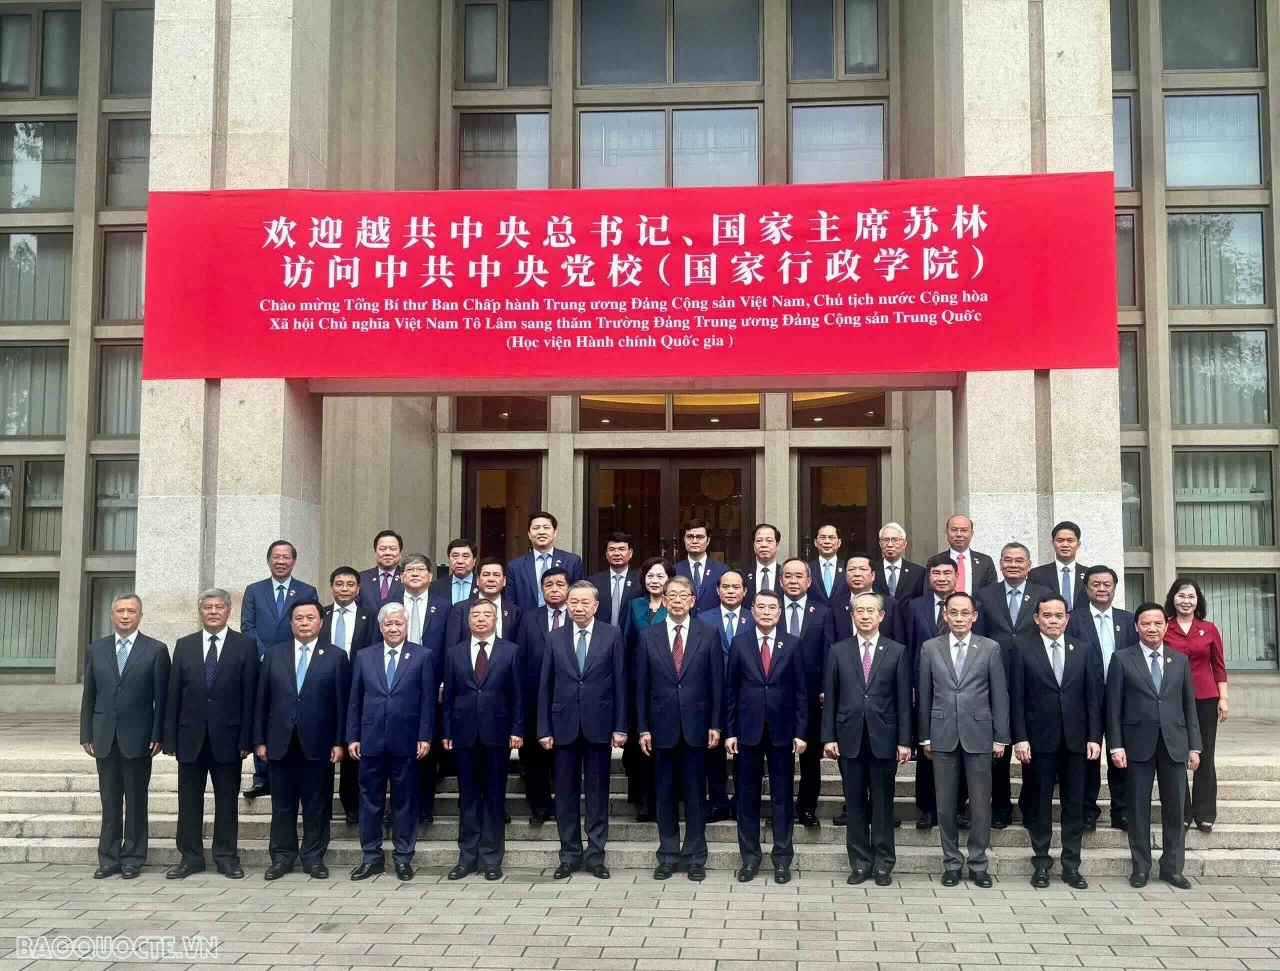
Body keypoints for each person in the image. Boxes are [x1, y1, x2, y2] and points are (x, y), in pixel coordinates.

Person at [162, 589, 257, 880]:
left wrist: (247, 739)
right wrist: (169, 738)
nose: (213, 612)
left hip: (229, 739)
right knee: (189, 802)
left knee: (226, 802)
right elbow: (173, 695)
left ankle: (226, 858)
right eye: (207, 607)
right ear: (200, 612)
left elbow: (250, 697)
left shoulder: (245, 646)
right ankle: (190, 858)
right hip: (190, 738)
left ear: (229, 611)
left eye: (218, 607)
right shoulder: (184, 645)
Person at [254, 599, 351, 880]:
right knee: (282, 805)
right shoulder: (274, 654)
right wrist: (259, 740)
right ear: (291, 623)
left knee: (317, 804)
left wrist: (339, 742)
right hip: (280, 742)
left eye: (310, 618)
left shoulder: (336, 656)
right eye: (299, 618)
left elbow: (341, 704)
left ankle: (313, 857)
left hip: (319, 744)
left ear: (321, 622)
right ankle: (282, 857)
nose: (305, 623)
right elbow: (262, 700)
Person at [1107, 603, 1202, 889]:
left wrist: (1194, 746)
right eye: (1146, 623)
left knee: (1176, 808)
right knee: (1138, 809)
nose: (1152, 628)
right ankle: (1141, 867)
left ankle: (1172, 867)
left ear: (1166, 626)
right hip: (1137, 744)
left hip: (1174, 743)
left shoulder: (1179, 660)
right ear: (1136, 627)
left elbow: (1189, 705)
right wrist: (1115, 746)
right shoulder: (1122, 659)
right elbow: (1113, 707)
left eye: (1158, 623)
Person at [1010, 595, 1101, 890]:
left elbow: (1093, 698)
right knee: (1039, 805)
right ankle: (1041, 864)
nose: (1053, 620)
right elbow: (1016, 698)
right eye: (1047, 615)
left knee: (1074, 806)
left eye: (1058, 615)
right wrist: (1020, 737)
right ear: (1036, 618)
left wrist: (1094, 737)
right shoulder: (1022, 648)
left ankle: (1071, 866)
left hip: (1076, 742)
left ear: (1067, 619)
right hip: (1038, 741)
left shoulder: (1082, 649)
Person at [918, 591, 1009, 889]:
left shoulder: (990, 648)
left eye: (964, 613)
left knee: (981, 805)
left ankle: (979, 863)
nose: (959, 618)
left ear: (974, 616)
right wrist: (924, 737)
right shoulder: (930, 648)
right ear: (945, 615)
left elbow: (999, 695)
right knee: (945, 806)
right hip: (942, 734)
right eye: (953, 613)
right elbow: (925, 694)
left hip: (979, 734)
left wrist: (1001, 737)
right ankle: (951, 863)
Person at [537, 580, 627, 879]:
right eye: (573, 602)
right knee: (565, 795)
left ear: (596, 606)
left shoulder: (612, 635)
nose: (578, 607)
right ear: (566, 605)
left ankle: (596, 856)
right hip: (563, 726)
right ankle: (569, 855)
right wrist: (544, 728)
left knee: (597, 794)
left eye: (584, 602)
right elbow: (545, 685)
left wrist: (620, 726)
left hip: (599, 725)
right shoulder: (554, 637)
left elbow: (620, 683)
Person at [822, 592, 912, 886]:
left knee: (883, 804)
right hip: (848, 738)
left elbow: (903, 700)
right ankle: (860, 863)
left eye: (870, 611)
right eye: (859, 611)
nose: (865, 615)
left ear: (881, 616)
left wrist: (904, 740)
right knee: (855, 803)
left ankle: (884, 864)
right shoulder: (838, 650)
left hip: (884, 738)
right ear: (852, 615)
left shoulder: (897, 651)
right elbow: (831, 697)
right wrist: (829, 737)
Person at [637, 576, 722, 881]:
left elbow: (717, 683)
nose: (676, 600)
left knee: (696, 795)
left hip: (697, 726)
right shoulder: (648, 635)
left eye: (682, 595)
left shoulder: (708, 633)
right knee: (665, 794)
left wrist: (715, 724)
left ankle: (696, 857)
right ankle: (668, 855)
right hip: (661, 727)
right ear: (663, 599)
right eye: (670, 595)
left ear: (692, 600)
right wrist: (643, 728)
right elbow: (641, 686)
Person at [80, 593, 171, 880]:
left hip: (139, 738)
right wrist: (86, 733)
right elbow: (89, 694)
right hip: (104, 736)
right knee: (109, 801)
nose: (125, 616)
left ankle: (133, 857)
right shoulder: (97, 649)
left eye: (131, 611)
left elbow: (162, 699)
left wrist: (158, 734)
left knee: (135, 801)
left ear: (140, 616)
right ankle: (108, 858)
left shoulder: (156, 650)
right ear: (112, 616)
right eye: (120, 611)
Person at [346, 603, 435, 881]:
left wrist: (425, 735)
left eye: (398, 623)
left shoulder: (422, 655)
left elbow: (427, 700)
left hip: (407, 740)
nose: (393, 628)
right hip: (370, 739)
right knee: (369, 801)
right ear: (380, 627)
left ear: (406, 626)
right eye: (388, 624)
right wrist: (353, 736)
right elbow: (355, 699)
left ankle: (403, 857)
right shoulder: (364, 656)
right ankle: (371, 857)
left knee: (405, 801)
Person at [725, 590, 806, 883]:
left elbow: (801, 691)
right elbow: (730, 691)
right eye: (761, 607)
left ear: (780, 612)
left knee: (782, 798)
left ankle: (782, 860)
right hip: (747, 731)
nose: (767, 612)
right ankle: (749, 859)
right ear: (753, 611)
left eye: (773, 607)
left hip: (782, 732)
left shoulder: (792, 643)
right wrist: (730, 731)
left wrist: (801, 732)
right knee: (747, 798)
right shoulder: (740, 643)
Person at [442, 600, 523, 880]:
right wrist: (446, 731)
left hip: (497, 733)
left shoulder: (511, 651)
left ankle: (491, 858)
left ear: (496, 619)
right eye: (475, 615)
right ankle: (466, 858)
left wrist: (517, 730)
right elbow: (449, 697)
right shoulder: (454, 653)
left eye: (486, 614)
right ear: (468, 621)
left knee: (493, 797)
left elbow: (517, 695)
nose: (480, 619)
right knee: (467, 798)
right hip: (463, 733)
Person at [974, 541, 1052, 828]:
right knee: (998, 750)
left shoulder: (1043, 594)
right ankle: (1001, 807)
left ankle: (1030, 806)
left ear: (1029, 565)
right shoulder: (985, 594)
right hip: (995, 678)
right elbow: (980, 636)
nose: (1013, 565)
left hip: (1034, 680)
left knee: (1031, 748)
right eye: (1008, 560)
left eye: (1019, 560)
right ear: (1000, 563)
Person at [240, 539, 319, 799]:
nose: (281, 561)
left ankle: (291, 771)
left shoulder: (307, 590)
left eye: (286, 557)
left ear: (294, 561)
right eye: (276, 557)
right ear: (268, 560)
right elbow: (247, 627)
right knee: (263, 712)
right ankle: (262, 776)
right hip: (261, 663)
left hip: (295, 663)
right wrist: (265, 654)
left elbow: (311, 625)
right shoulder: (254, 590)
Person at [1067, 565, 1137, 831]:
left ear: (1115, 588)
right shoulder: (1074, 619)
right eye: (1096, 584)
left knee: (1121, 754)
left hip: (1122, 698)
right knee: (1089, 755)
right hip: (1087, 698)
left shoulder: (1128, 620)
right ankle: (1088, 811)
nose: (1101, 589)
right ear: (1086, 589)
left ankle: (1122, 811)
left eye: (1107, 584)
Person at [905, 555, 967, 830]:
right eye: (936, 574)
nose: (941, 578)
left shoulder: (968, 606)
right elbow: (908, 645)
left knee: (961, 747)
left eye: (947, 573)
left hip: (962, 687)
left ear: (956, 577)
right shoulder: (915, 606)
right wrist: (910, 685)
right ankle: (928, 808)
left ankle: (959, 807)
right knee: (927, 748)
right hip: (925, 688)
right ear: (929, 578)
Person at [1162, 578, 1229, 832]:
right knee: (1177, 753)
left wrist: (1223, 698)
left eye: (1191, 596)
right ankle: (1183, 811)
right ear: (1173, 598)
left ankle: (1205, 812)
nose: (1186, 601)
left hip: (1205, 696)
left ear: (1198, 600)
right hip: (1173, 697)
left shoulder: (1209, 629)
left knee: (1205, 753)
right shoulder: (1165, 627)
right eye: (1181, 596)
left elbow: (1218, 665)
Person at [778, 557, 836, 828]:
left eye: (798, 576)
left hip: (811, 697)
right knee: (780, 757)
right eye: (788, 576)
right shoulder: (772, 609)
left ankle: (807, 808)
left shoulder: (822, 612)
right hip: (777, 695)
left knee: (810, 757)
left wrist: (825, 688)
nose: (793, 581)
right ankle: (782, 809)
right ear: (781, 581)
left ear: (809, 581)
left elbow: (828, 653)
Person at [514, 566, 571, 826]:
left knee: (564, 758)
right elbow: (521, 659)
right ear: (541, 590)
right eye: (549, 585)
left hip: (569, 700)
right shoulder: (529, 619)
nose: (554, 589)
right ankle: (539, 807)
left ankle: (564, 808)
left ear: (568, 588)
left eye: (560, 584)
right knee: (535, 758)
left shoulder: (578, 616)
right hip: (535, 699)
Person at [322, 566, 376, 823]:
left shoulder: (370, 616)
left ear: (358, 588)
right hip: (324, 689)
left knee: (353, 747)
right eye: (339, 584)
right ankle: (321, 803)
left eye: (350, 584)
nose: (344, 589)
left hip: (358, 688)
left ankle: (351, 805)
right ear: (332, 587)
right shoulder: (320, 615)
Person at [621, 557, 673, 821]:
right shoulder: (635, 606)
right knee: (639, 745)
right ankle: (642, 800)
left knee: (664, 745)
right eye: (650, 576)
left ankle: (663, 800)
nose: (654, 581)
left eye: (660, 576)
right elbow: (625, 642)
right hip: (637, 683)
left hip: (667, 686)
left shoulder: (675, 605)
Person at [695, 569, 748, 823]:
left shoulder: (753, 617)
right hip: (712, 693)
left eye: (736, 587)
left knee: (744, 752)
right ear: (717, 590)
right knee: (713, 750)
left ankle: (740, 801)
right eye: (726, 587)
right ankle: (717, 800)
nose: (730, 591)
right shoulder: (703, 618)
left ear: (744, 592)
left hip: (744, 695)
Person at [506, 511, 585, 611]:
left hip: (563, 619)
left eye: (546, 527)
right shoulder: (515, 566)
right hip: (528, 619)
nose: (541, 532)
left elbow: (579, 595)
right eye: (536, 528)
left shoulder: (572, 561)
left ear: (555, 532)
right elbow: (511, 604)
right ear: (529, 534)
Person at [833, 553, 906, 645]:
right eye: (851, 569)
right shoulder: (834, 606)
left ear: (873, 575)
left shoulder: (891, 605)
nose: (857, 574)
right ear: (845, 575)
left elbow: (899, 643)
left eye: (863, 569)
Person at [445, 557, 521, 646]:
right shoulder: (460, 609)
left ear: (504, 581)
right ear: (477, 580)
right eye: (486, 575)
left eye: (496, 575)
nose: (491, 579)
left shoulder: (514, 612)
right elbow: (452, 648)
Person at [1028, 521, 1090, 613]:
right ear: (1053, 543)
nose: (1065, 545)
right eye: (1060, 540)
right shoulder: (1036, 574)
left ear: (1078, 544)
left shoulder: (1089, 574)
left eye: (1070, 540)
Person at [676, 518, 729, 614]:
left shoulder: (721, 570)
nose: (694, 541)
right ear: (684, 540)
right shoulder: (675, 570)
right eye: (690, 537)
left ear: (708, 541)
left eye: (700, 537)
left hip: (712, 622)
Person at [588, 532, 641, 627]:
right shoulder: (594, 581)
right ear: (606, 554)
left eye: (621, 549)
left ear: (630, 553)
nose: (616, 553)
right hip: (602, 633)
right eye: (612, 549)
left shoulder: (640, 579)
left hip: (631, 634)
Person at [938, 515, 998, 595]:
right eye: (954, 530)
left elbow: (992, 592)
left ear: (972, 534)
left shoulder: (985, 561)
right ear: (947, 532)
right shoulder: (936, 561)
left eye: (964, 530)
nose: (959, 534)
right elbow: (929, 593)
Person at [874, 522, 926, 603]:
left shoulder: (917, 572)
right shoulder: (872, 569)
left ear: (904, 544)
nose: (890, 545)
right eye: (886, 540)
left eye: (895, 540)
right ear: (880, 544)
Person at [358, 529, 404, 614]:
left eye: (392, 549)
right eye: (383, 549)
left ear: (400, 553)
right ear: (375, 553)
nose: (387, 553)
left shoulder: (407, 578)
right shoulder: (361, 578)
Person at [807, 523, 845, 606]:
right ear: (815, 542)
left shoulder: (847, 567)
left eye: (831, 538)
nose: (827, 541)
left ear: (839, 542)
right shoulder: (807, 568)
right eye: (822, 538)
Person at [430, 538, 478, 603]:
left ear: (474, 561)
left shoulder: (483, 585)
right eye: (455, 556)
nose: (460, 561)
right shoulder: (436, 586)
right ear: (449, 559)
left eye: (465, 556)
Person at [745, 523, 783, 601]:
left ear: (777, 545)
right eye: (759, 541)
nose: (764, 545)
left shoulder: (785, 574)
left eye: (769, 541)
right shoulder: (743, 575)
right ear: (753, 545)